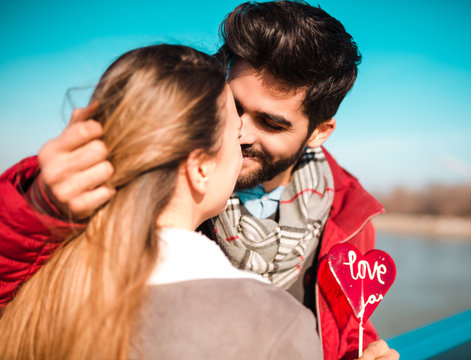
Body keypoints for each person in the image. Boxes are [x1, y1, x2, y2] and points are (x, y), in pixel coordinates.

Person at [0, 2, 399, 360]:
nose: (240, 133)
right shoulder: (132, 186)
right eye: (234, 107)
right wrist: (35, 210)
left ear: (319, 132)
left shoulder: (348, 220)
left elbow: (346, 331)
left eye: (271, 123)